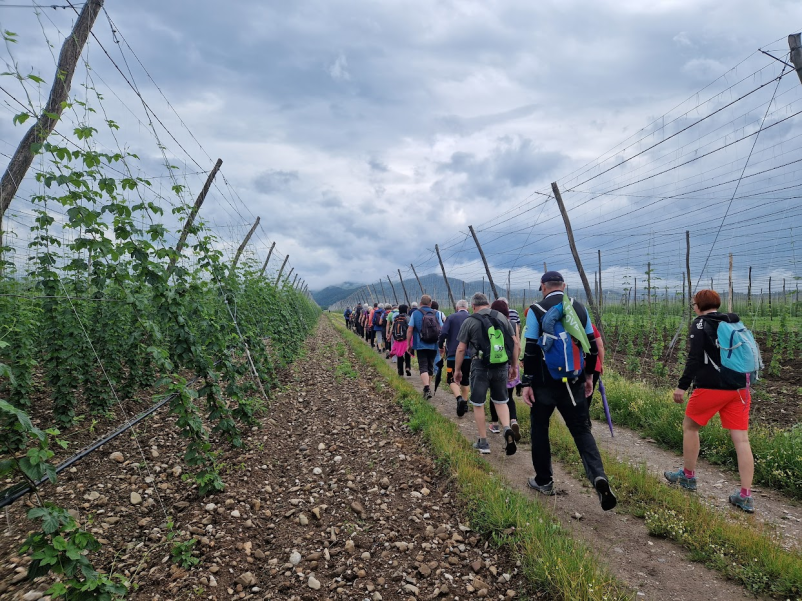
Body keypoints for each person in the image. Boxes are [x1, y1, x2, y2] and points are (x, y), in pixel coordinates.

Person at [521, 271, 616, 511]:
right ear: (564, 286)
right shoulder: (578, 308)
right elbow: (592, 346)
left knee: (540, 429)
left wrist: (527, 383)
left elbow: (530, 349)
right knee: (582, 431)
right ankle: (597, 476)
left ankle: (544, 481)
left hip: (544, 383)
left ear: (542, 286)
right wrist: (589, 377)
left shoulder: (535, 310)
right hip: (573, 382)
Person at [664, 290, 756, 513]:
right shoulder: (732, 321)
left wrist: (682, 386)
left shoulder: (700, 324)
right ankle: (745, 495)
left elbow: (694, 358)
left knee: (690, 427)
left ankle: (688, 477)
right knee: (741, 440)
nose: (693, 306)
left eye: (693, 303)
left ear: (699, 305)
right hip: (740, 388)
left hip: (711, 387)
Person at [454, 292, 519, 456]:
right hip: (501, 365)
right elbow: (515, 343)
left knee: (478, 403)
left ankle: (483, 442)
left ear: (473, 306)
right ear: (488, 304)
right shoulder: (502, 318)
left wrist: (457, 370)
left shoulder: (470, 320)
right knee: (501, 400)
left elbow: (461, 348)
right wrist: (514, 366)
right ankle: (506, 428)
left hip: (480, 365)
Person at [487, 299, 521, 442]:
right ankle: (513, 420)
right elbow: (517, 345)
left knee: (495, 395)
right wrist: (515, 364)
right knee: (509, 396)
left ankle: (495, 424)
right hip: (511, 364)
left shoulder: (489, 323)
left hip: (496, 364)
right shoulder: (513, 324)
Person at [438, 299, 472, 417]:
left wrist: (440, 345)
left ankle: (459, 399)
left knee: (450, 378)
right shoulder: (472, 318)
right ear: (467, 308)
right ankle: (465, 402)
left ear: (457, 308)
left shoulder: (451, 318)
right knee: (465, 378)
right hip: (468, 355)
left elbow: (443, 333)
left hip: (452, 354)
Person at [406, 294, 443, 400]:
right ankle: (428, 387)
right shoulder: (437, 313)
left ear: (420, 303)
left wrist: (409, 344)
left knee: (423, 366)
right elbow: (441, 329)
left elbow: (410, 330)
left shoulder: (416, 313)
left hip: (420, 344)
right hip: (434, 344)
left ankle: (426, 388)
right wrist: (441, 344)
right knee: (430, 366)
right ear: (430, 304)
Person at [390, 304, 412, 376]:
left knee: (399, 354)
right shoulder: (407, 317)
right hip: (406, 338)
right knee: (407, 353)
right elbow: (410, 328)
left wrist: (390, 335)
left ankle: (400, 371)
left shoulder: (396, 318)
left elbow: (393, 327)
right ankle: (407, 367)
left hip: (398, 339)